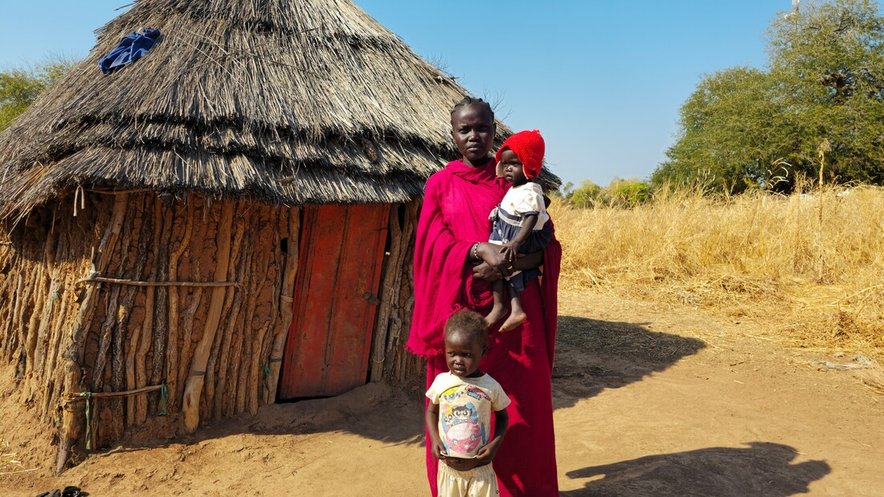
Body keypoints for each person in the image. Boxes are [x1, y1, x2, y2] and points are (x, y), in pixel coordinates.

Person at [407, 96, 561, 497]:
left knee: (522, 410)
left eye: (482, 128)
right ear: (453, 134)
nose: (474, 136)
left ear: (495, 131)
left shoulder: (514, 180)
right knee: (459, 409)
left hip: (515, 317)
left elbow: (547, 244)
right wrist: (477, 251)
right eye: (465, 129)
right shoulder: (440, 183)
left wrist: (506, 264)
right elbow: (429, 245)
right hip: (461, 323)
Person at [426, 310, 510, 497]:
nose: (458, 361)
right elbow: (431, 412)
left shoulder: (491, 387)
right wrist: (435, 439)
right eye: (452, 354)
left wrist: (494, 445)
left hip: (480, 470)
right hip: (449, 471)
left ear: (483, 351)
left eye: (466, 354)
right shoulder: (441, 382)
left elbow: (503, 417)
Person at [485, 130, 551, 332]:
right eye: (505, 164)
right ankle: (513, 308)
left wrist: (516, 242)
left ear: (528, 166)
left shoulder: (530, 190)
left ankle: (501, 306)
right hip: (508, 233)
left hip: (517, 236)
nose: (507, 169)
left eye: (514, 164)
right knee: (508, 272)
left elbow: (530, 217)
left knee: (503, 266)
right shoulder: (516, 189)